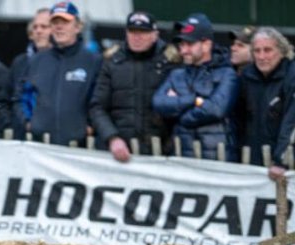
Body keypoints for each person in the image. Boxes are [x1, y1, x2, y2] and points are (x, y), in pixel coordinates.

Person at [89, 11, 180, 162]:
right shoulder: (112, 62)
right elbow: (97, 107)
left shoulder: (170, 62)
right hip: (117, 153)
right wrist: (112, 137)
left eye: (143, 32)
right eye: (132, 32)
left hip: (161, 153)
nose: (137, 37)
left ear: (155, 35)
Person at [153, 13, 239, 161]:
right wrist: (194, 100)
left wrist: (181, 116)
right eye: (181, 45)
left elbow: (215, 109)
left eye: (189, 44)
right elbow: (158, 103)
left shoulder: (227, 73)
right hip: (182, 158)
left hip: (217, 159)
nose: (183, 50)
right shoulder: (176, 74)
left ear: (206, 44)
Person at [23, 2, 101, 146]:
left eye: (65, 22)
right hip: (40, 144)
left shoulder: (93, 60)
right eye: (55, 22)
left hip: (78, 145)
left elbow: (100, 99)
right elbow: (23, 95)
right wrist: (28, 121)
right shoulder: (37, 60)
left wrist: (91, 125)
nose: (59, 27)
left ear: (78, 27)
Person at [238, 27, 295, 181]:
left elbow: (291, 123)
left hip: (283, 166)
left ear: (282, 51)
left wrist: (281, 160)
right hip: (250, 163)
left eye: (268, 50)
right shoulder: (246, 77)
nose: (262, 56)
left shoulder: (291, 76)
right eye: (257, 51)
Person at [8, 8, 51, 140]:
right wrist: (16, 122)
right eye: (35, 27)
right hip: (22, 135)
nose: (38, 31)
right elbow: (8, 99)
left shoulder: (65, 63)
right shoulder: (19, 62)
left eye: (44, 27)